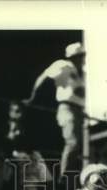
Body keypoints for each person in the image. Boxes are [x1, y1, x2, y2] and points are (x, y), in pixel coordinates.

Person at [28, 42, 86, 177]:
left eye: (82, 55)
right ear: (71, 57)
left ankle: (75, 177)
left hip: (81, 111)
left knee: (82, 146)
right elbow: (44, 77)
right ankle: (64, 178)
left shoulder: (83, 72)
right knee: (73, 142)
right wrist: (33, 97)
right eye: (78, 56)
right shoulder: (63, 65)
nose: (81, 58)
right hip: (68, 108)